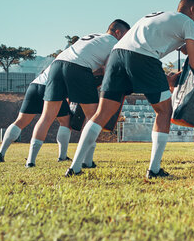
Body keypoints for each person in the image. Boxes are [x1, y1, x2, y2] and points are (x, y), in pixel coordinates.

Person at [66, 0, 194, 178]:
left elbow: (153, 42)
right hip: (143, 57)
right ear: (192, 9)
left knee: (101, 113)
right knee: (163, 111)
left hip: (117, 55)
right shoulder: (188, 22)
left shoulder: (161, 16)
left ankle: (74, 167)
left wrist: (184, 46)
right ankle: (154, 169)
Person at [26, 19, 130, 167]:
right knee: (93, 117)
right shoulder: (114, 43)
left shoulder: (93, 36)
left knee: (47, 116)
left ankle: (30, 161)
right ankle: (87, 160)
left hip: (57, 64)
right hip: (78, 68)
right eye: (125, 35)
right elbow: (108, 70)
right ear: (118, 32)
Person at [0, 63, 72, 163]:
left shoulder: (60, 59)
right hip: (51, 88)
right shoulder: (76, 62)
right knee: (65, 121)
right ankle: (62, 157)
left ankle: (0, 153)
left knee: (20, 121)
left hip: (34, 86)